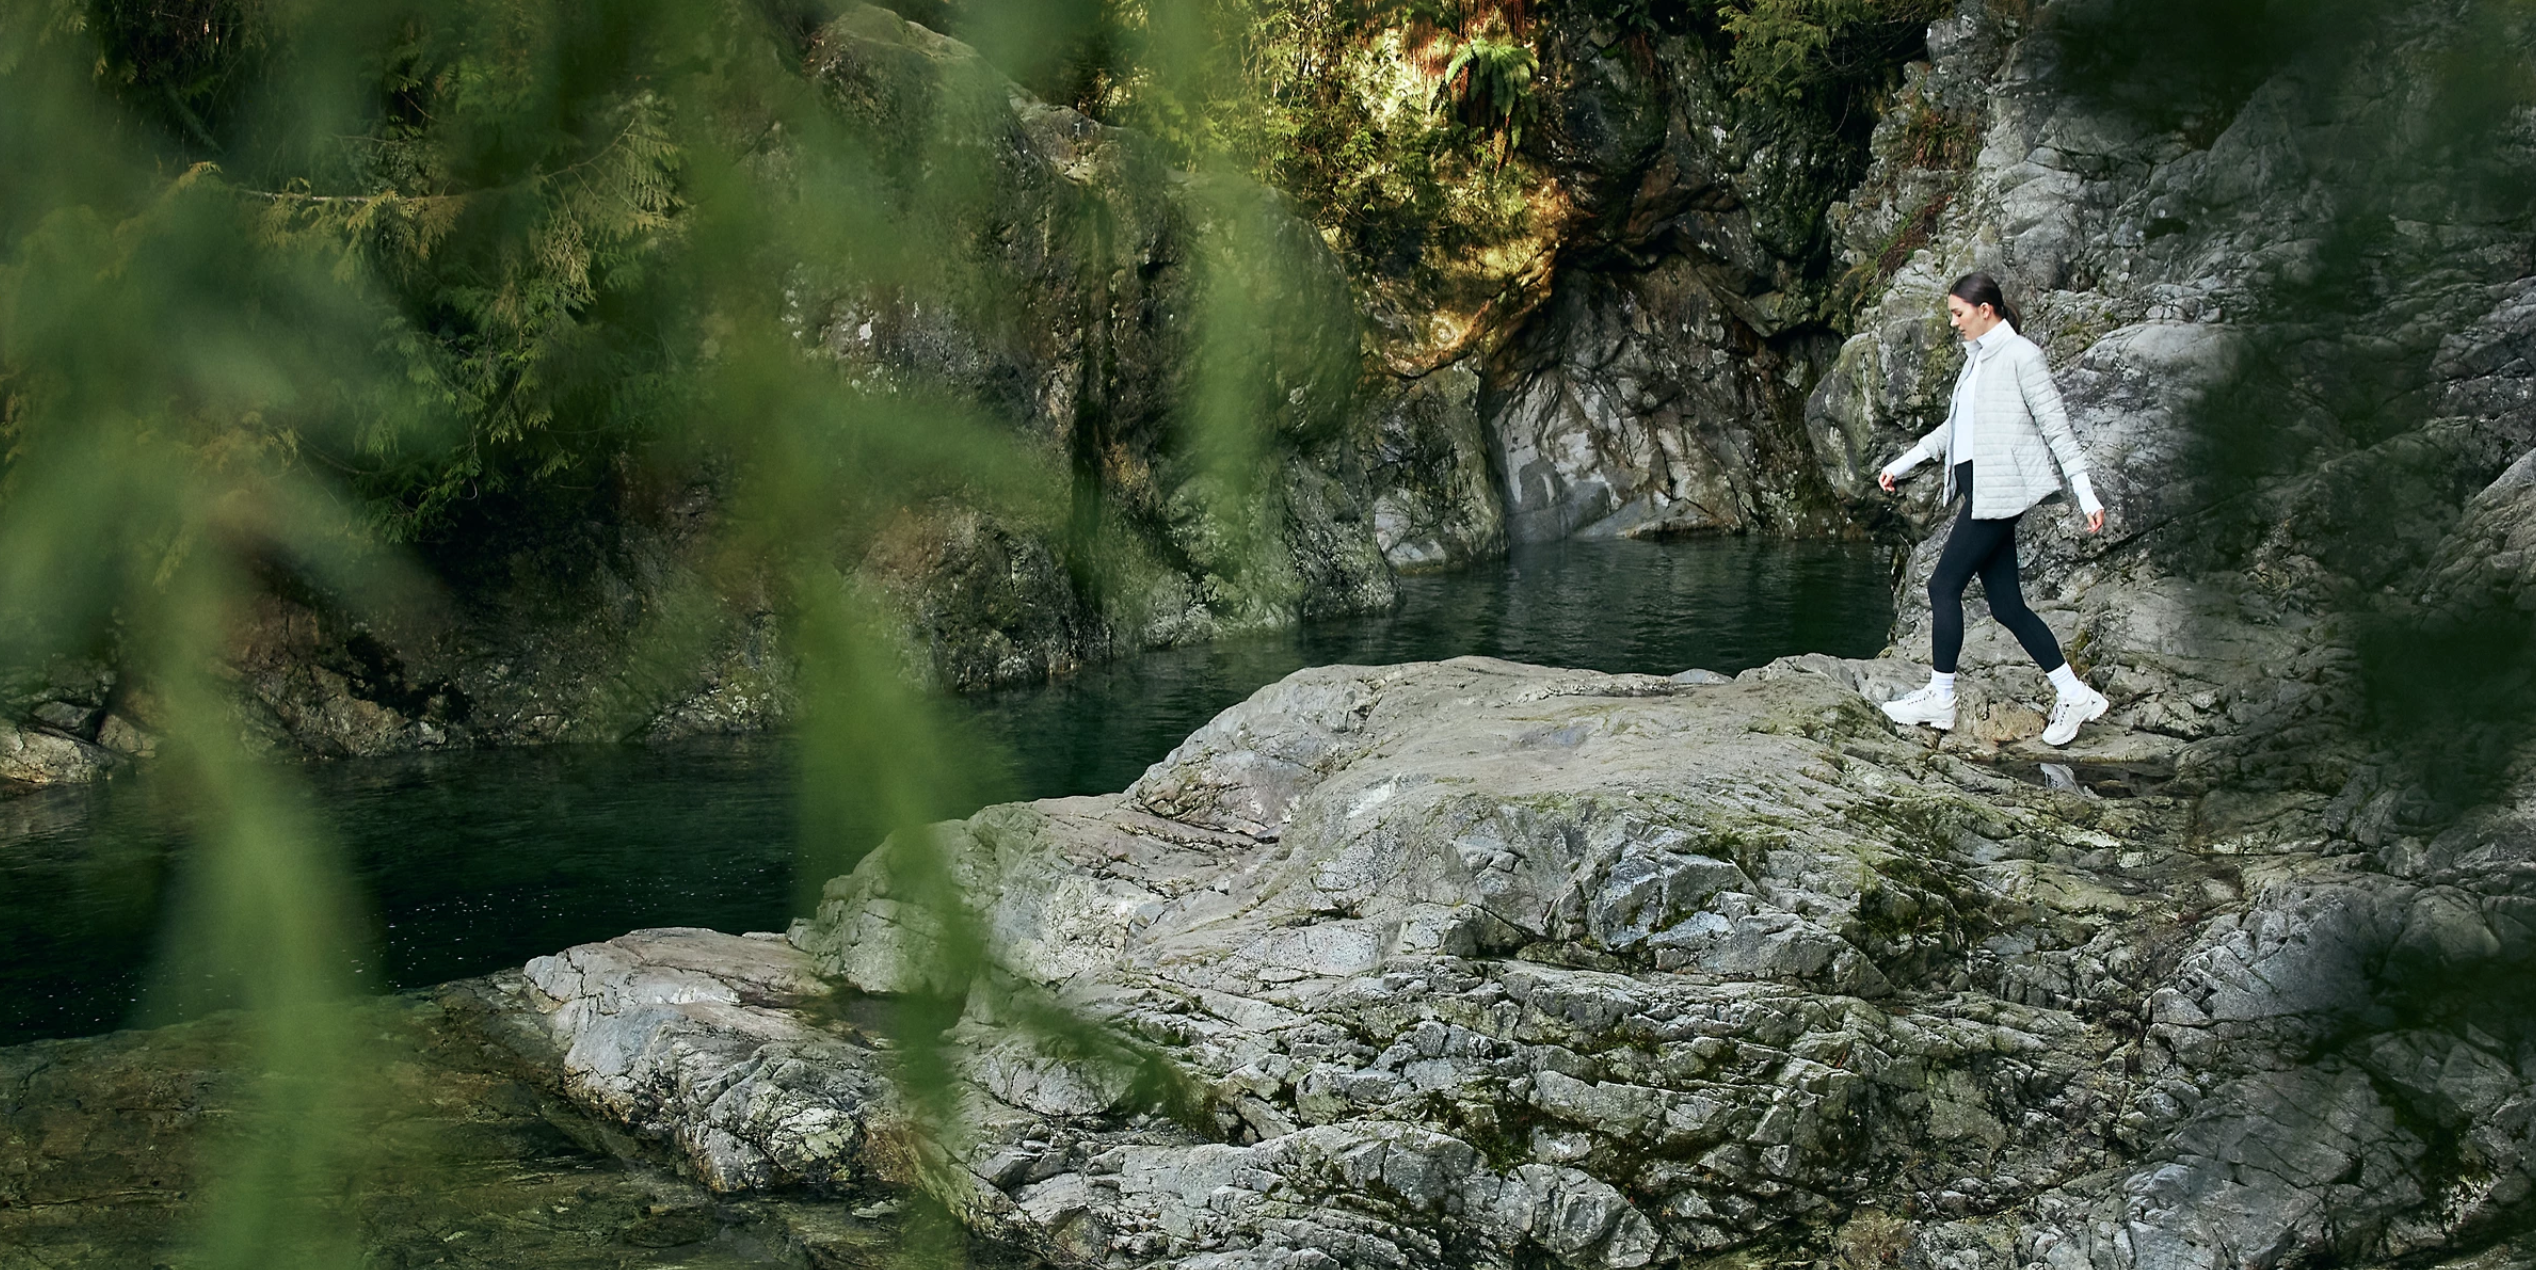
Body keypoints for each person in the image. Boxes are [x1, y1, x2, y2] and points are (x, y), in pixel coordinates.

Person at [1876, 272, 2110, 747]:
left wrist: (2086, 495)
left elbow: (2058, 430)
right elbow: (1953, 431)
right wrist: (1901, 465)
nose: (1953, 324)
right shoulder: (1976, 361)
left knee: (1942, 585)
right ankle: (2073, 692)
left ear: (1986, 310)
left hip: (1997, 494)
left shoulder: (2022, 356)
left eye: (1958, 314)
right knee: (2006, 605)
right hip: (1980, 493)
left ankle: (1941, 698)